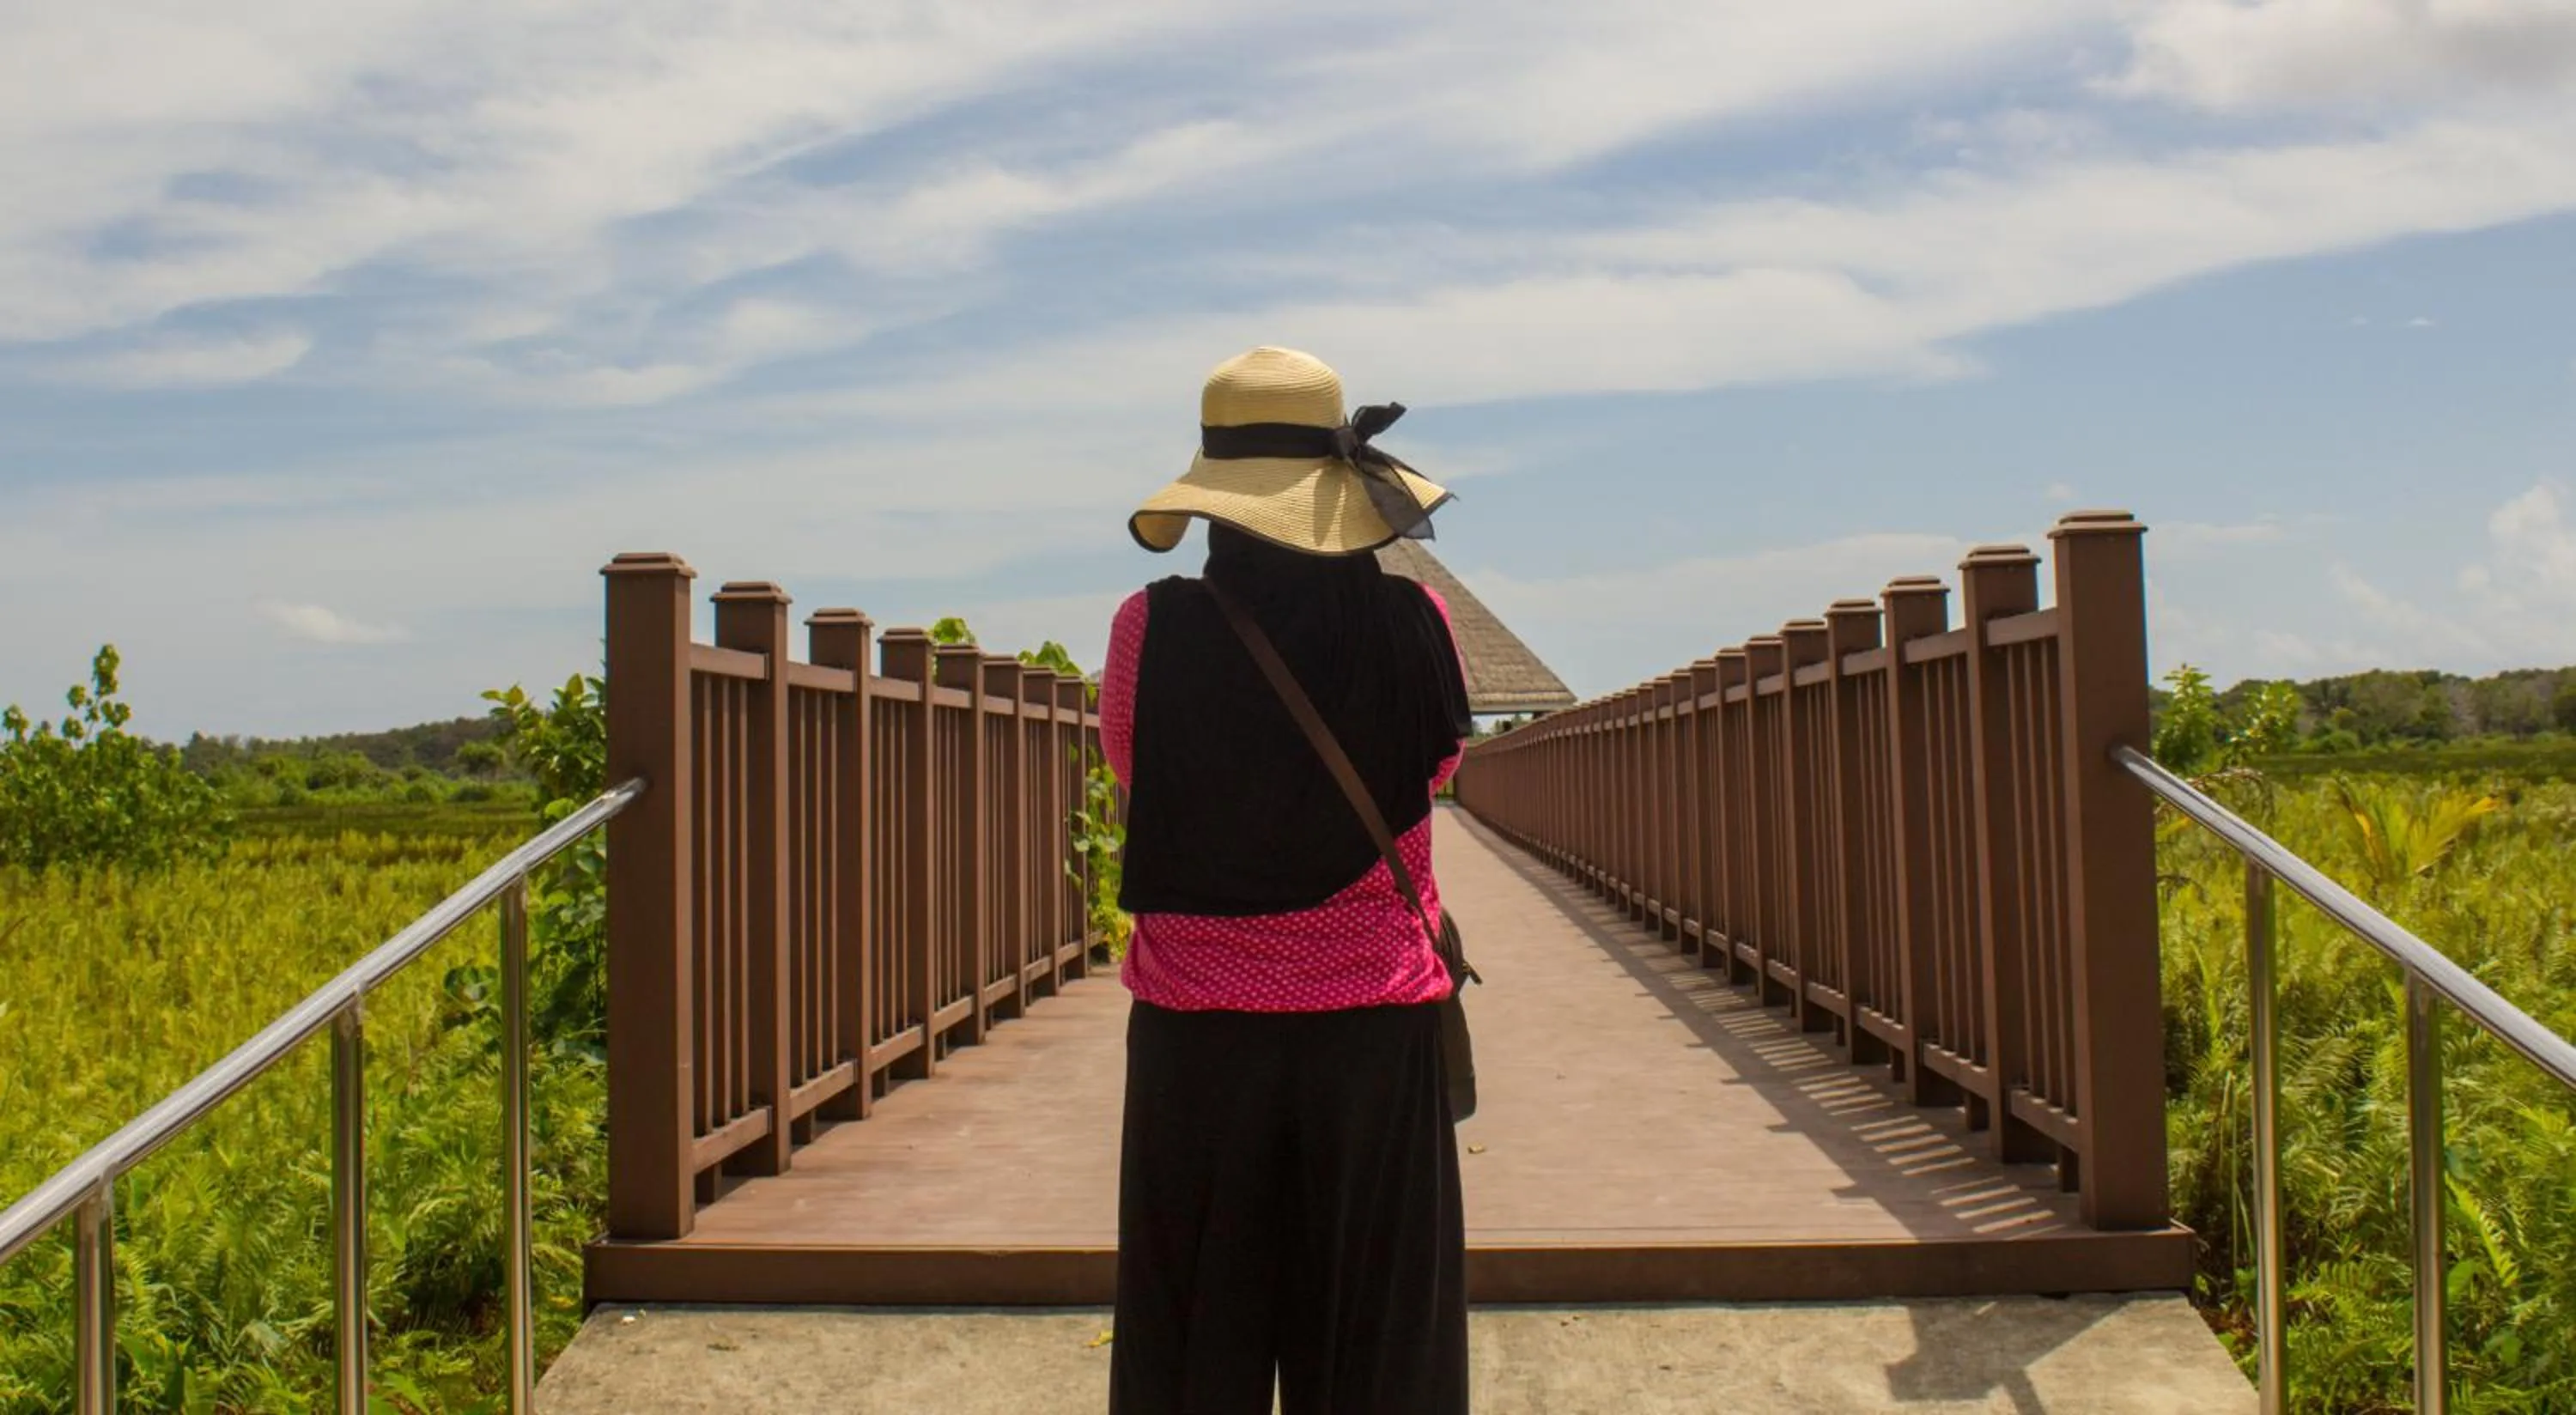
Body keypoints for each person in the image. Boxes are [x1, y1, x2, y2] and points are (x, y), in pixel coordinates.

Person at [1100, 347, 1475, 1415]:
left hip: (1196, 1030)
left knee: (1189, 1351)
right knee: (1381, 1347)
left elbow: (1133, 769)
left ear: (1215, 501)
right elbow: (1432, 773)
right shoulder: (1420, 626)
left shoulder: (1148, 627)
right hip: (1372, 1027)